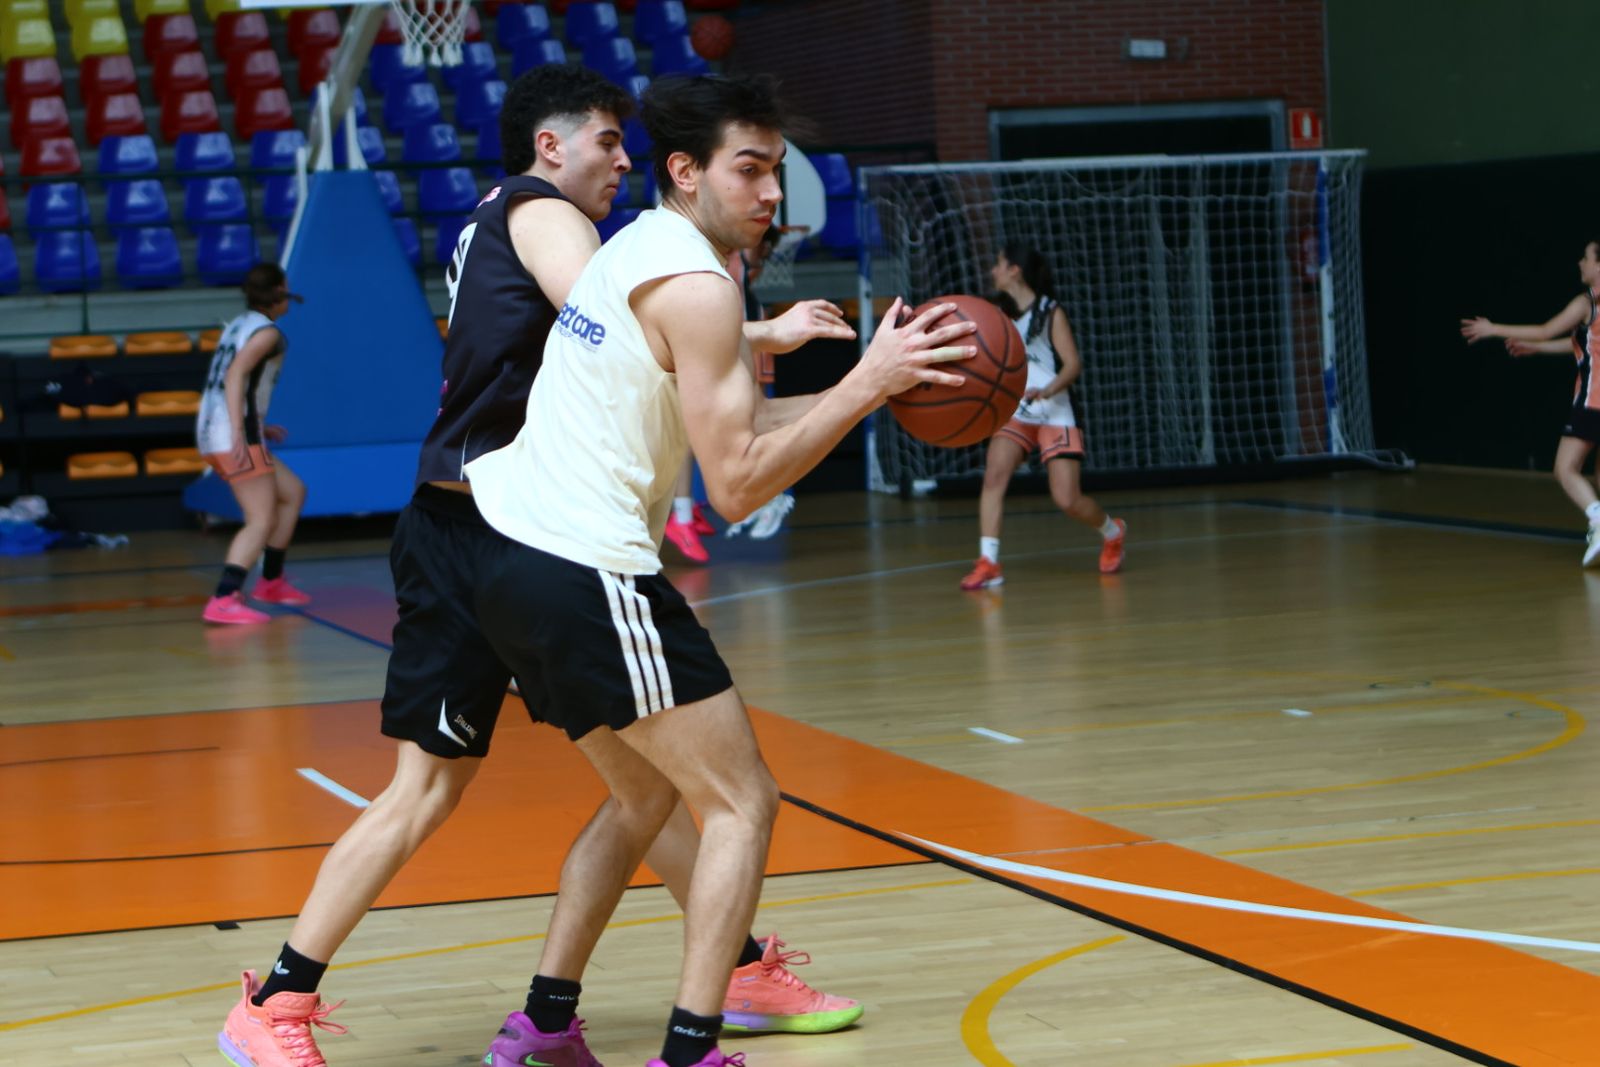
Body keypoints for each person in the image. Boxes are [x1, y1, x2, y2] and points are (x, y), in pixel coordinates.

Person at [217, 67, 858, 1067]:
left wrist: (739, 340)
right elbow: (602, 308)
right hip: (493, 523)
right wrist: (754, 335)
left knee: (645, 781)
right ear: (549, 146)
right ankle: (279, 999)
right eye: (605, 140)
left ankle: (662, 982)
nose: (620, 158)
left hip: (505, 524)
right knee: (451, 791)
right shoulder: (543, 211)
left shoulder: (500, 219)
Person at [462, 73, 976, 1067]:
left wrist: (862, 390)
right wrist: (865, 384)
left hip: (504, 558)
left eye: (776, 170)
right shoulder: (699, 284)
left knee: (645, 795)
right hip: (580, 564)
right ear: (685, 171)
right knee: (744, 800)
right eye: (749, 169)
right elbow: (736, 486)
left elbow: (725, 430)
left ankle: (543, 1023)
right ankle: (692, 1048)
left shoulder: (640, 251)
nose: (771, 192)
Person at [959, 242, 1125, 591]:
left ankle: (1113, 531)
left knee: (1067, 500)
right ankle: (989, 562)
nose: (993, 270)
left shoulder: (1051, 312)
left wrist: (1047, 390)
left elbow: (1073, 364)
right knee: (993, 478)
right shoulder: (995, 314)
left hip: (1054, 409)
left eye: (999, 264)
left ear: (1014, 270)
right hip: (1016, 410)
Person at [1462, 238, 1600, 566]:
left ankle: (1597, 519)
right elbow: (1582, 346)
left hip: (1592, 400)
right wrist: (1538, 349)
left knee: (1565, 469)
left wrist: (1492, 328)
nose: (1580, 263)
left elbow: (1545, 329)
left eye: (1585, 257)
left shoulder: (1586, 303)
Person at [195, 263, 310, 625]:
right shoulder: (267, 334)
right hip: (231, 432)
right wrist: (240, 430)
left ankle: (272, 582)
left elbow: (238, 382)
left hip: (224, 426)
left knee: (292, 492)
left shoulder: (239, 325)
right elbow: (235, 376)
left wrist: (259, 422)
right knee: (260, 519)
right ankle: (224, 598)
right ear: (278, 294)